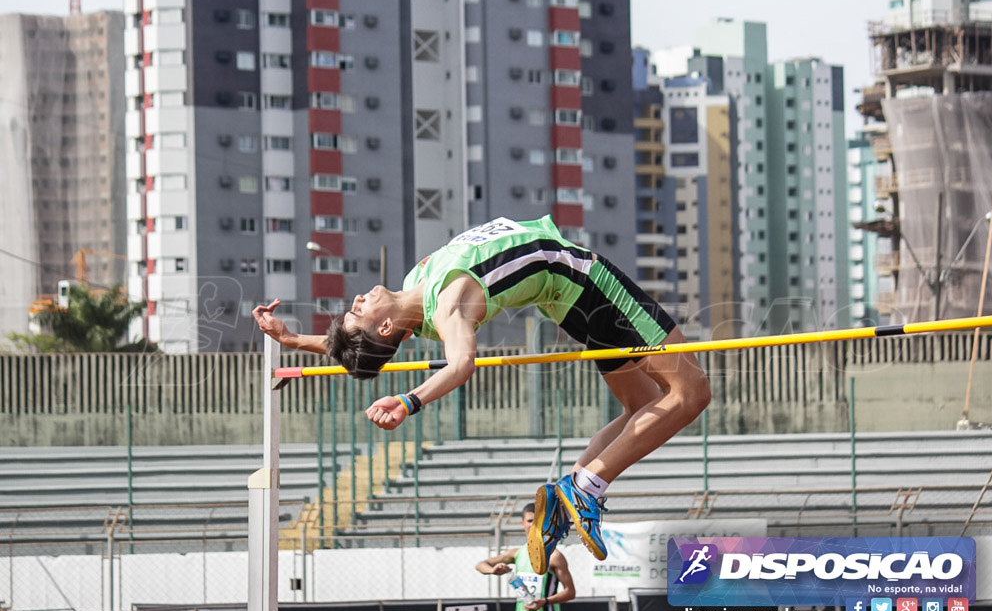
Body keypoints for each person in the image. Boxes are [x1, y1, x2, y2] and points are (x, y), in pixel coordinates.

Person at [252, 215, 711, 574]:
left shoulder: (417, 296)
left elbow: (364, 351)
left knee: (639, 405)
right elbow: (460, 364)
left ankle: (561, 498)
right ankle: (586, 486)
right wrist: (410, 401)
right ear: (386, 326)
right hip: (591, 286)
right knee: (691, 393)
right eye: (360, 313)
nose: (355, 302)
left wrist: (297, 341)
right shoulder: (448, 306)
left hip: (570, 302)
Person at [475, 502, 575, 611]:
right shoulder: (517, 553)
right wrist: (493, 570)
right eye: (530, 521)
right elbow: (481, 564)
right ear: (522, 524)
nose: (534, 525)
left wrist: (544, 601)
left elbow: (570, 592)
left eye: (539, 521)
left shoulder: (554, 556)